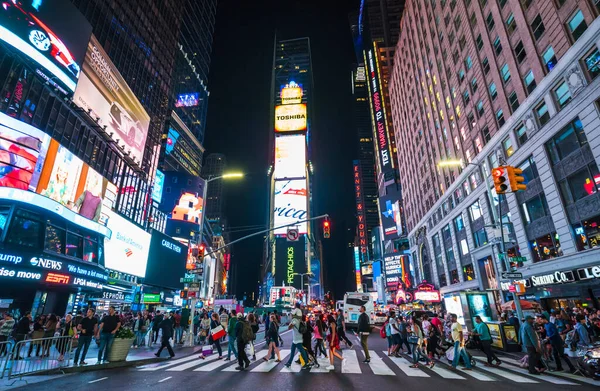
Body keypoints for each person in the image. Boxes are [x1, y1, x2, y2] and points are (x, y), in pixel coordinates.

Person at [285, 304, 311, 370]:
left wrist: (291, 322)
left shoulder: (294, 320)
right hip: (297, 338)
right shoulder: (300, 320)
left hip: (297, 339)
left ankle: (307, 363)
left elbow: (289, 328)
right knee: (293, 351)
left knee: (301, 351)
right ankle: (289, 363)